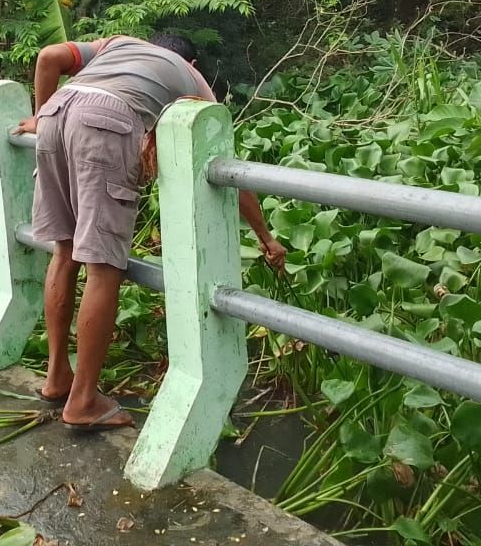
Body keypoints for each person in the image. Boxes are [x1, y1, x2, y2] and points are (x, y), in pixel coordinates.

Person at [15, 34, 287, 431]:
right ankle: (84, 400)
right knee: (104, 268)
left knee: (65, 251)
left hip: (56, 115)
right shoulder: (193, 83)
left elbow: (49, 57)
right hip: (104, 123)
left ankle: (58, 378)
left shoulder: (118, 44)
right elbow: (226, 167)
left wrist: (40, 116)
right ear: (190, 62)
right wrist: (266, 237)